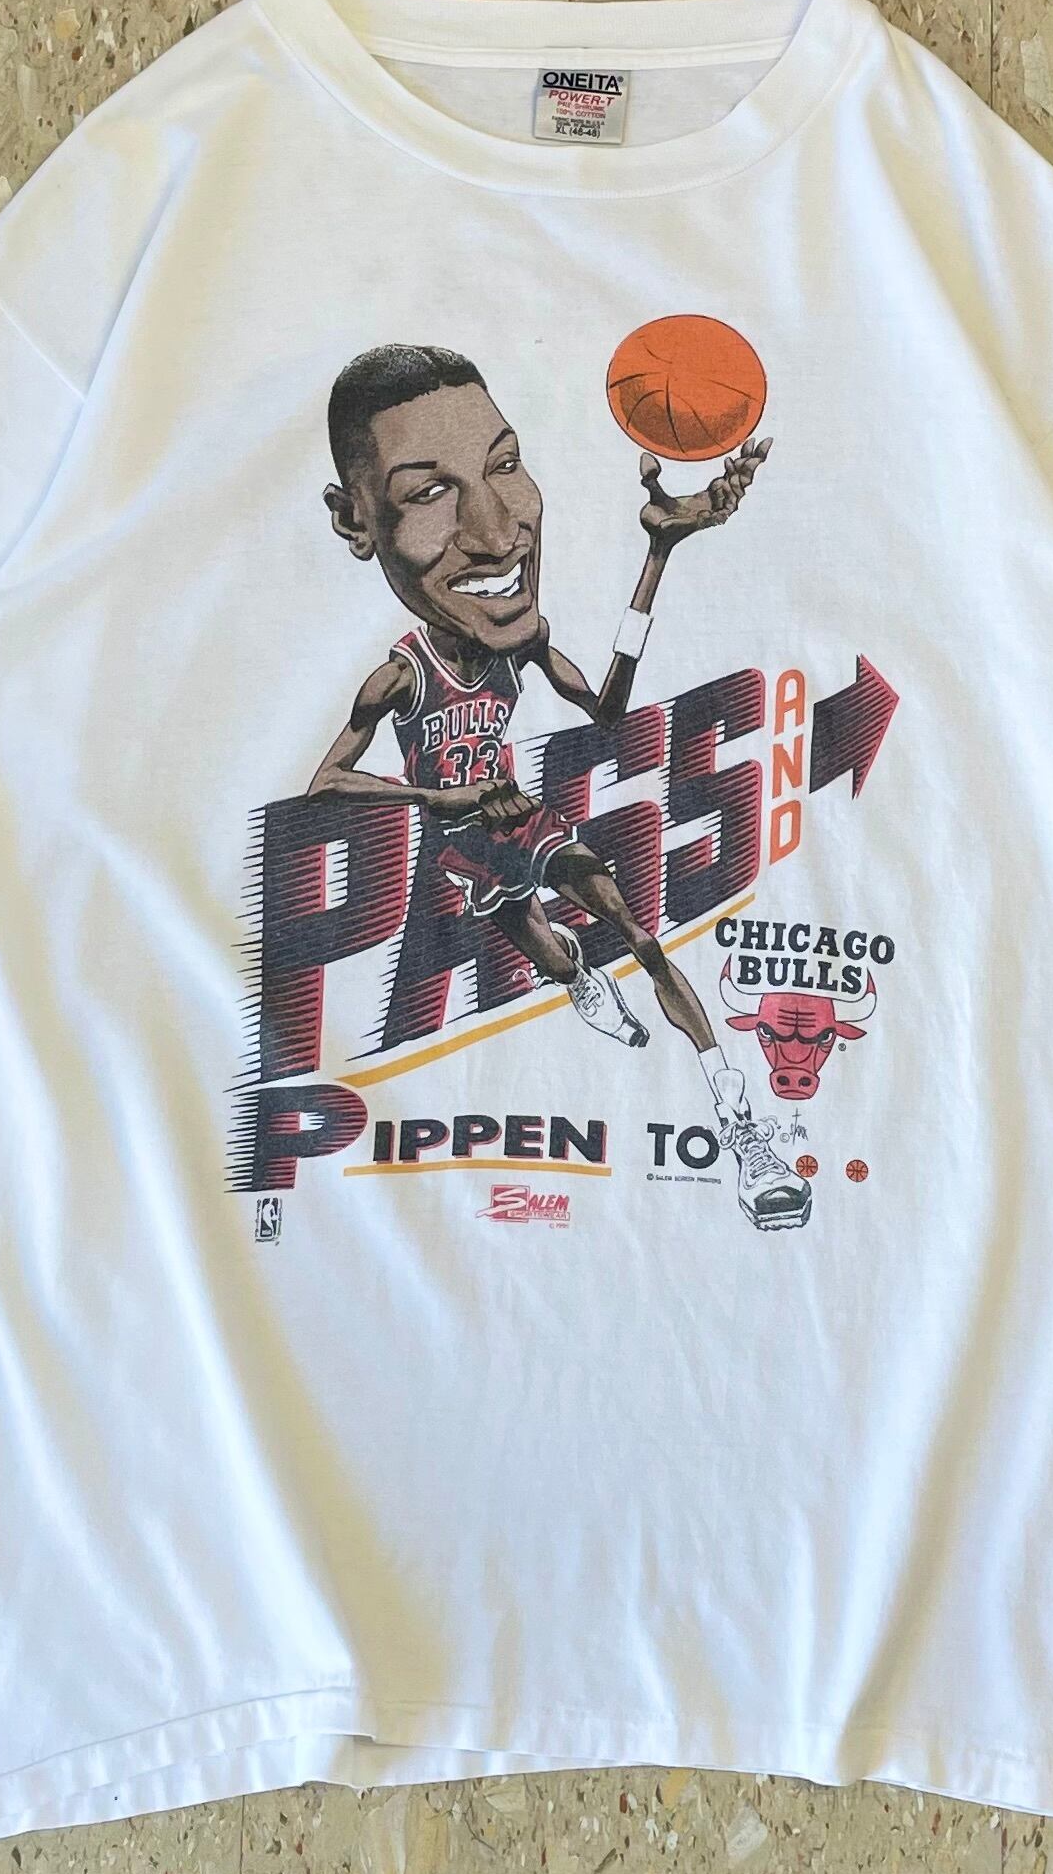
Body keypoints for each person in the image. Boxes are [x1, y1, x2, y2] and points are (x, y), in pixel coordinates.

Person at [305, 340, 808, 1232]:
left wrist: (658, 556)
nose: (497, 532)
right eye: (428, 492)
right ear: (357, 521)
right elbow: (328, 782)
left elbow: (606, 710)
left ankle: (743, 1131)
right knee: (562, 960)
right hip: (467, 851)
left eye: (505, 465)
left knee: (643, 938)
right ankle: (571, 975)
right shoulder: (401, 677)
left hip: (523, 822)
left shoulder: (524, 639)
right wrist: (438, 801)